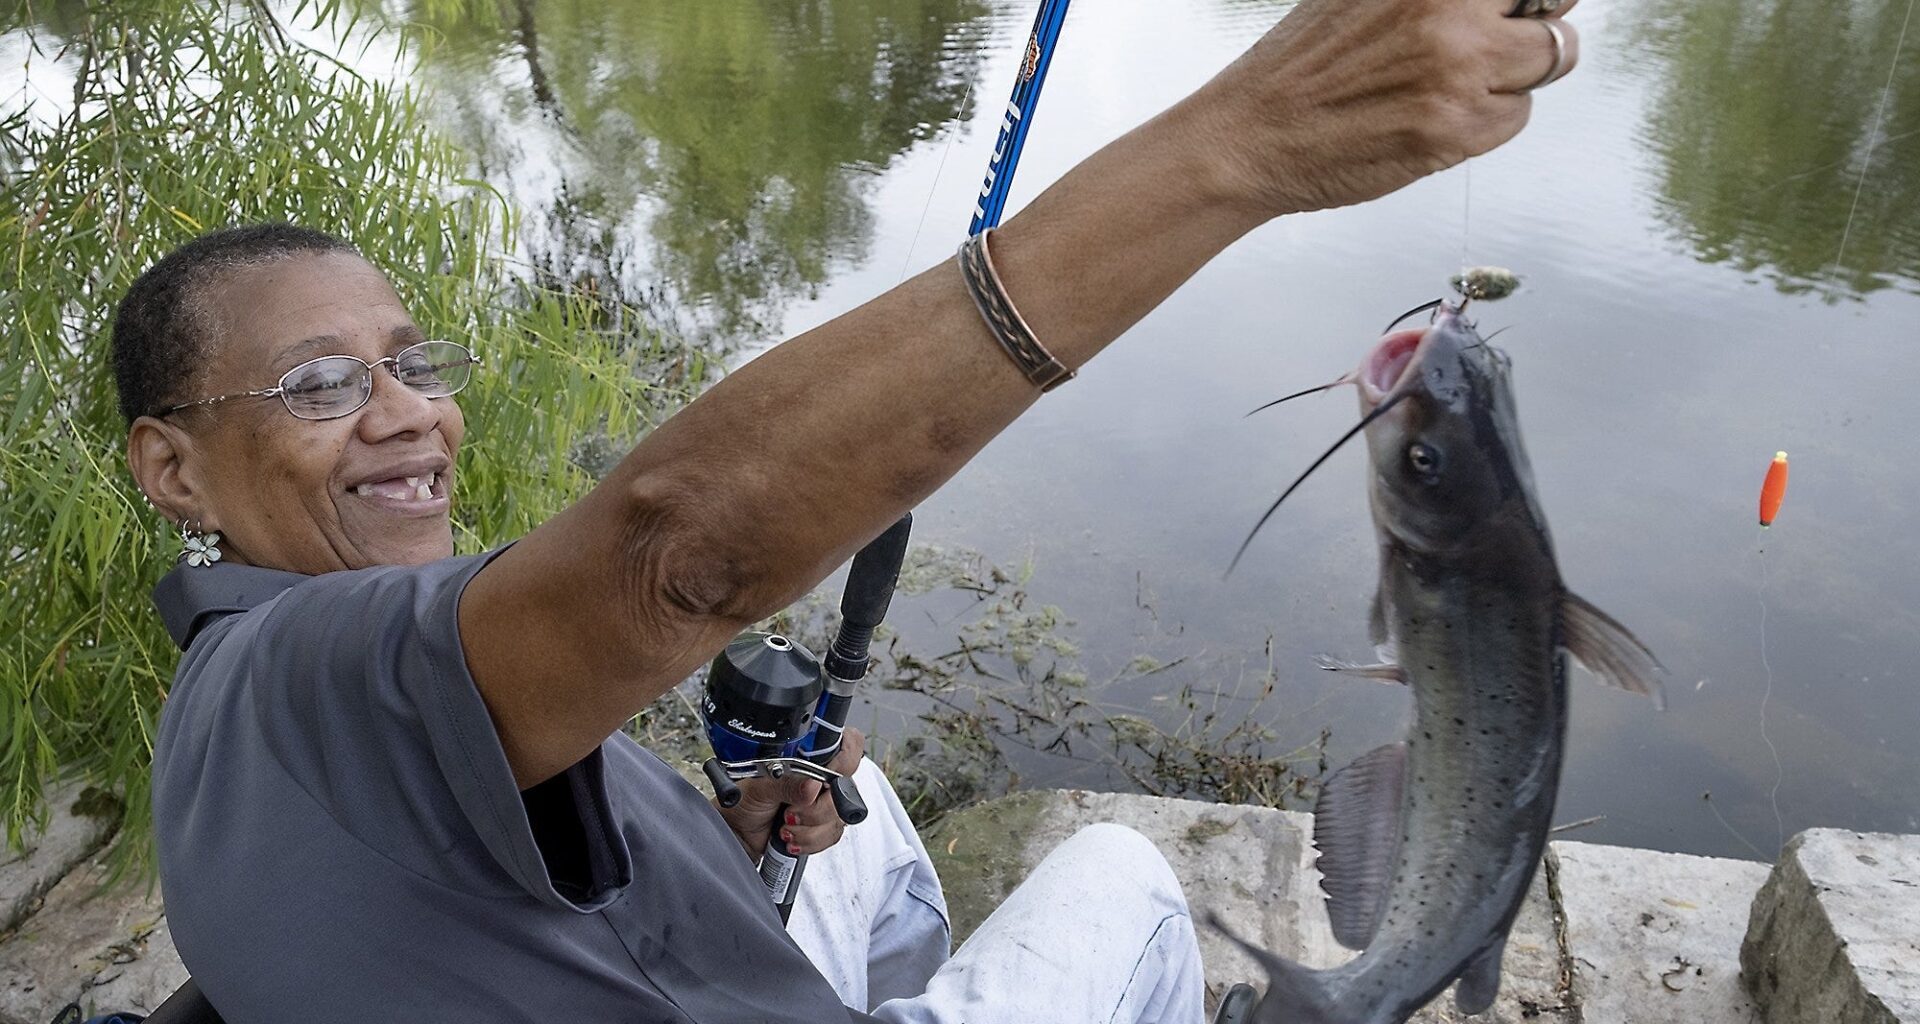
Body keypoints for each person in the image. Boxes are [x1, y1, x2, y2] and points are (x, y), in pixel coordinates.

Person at [119, 0, 1579, 1019]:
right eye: (319, 385)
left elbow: (457, 893)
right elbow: (679, 555)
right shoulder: (300, 675)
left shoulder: (252, 706)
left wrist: (731, 836)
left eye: (412, 363)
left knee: (858, 824)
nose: (406, 414)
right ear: (172, 468)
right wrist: (1245, 141)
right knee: (1124, 881)